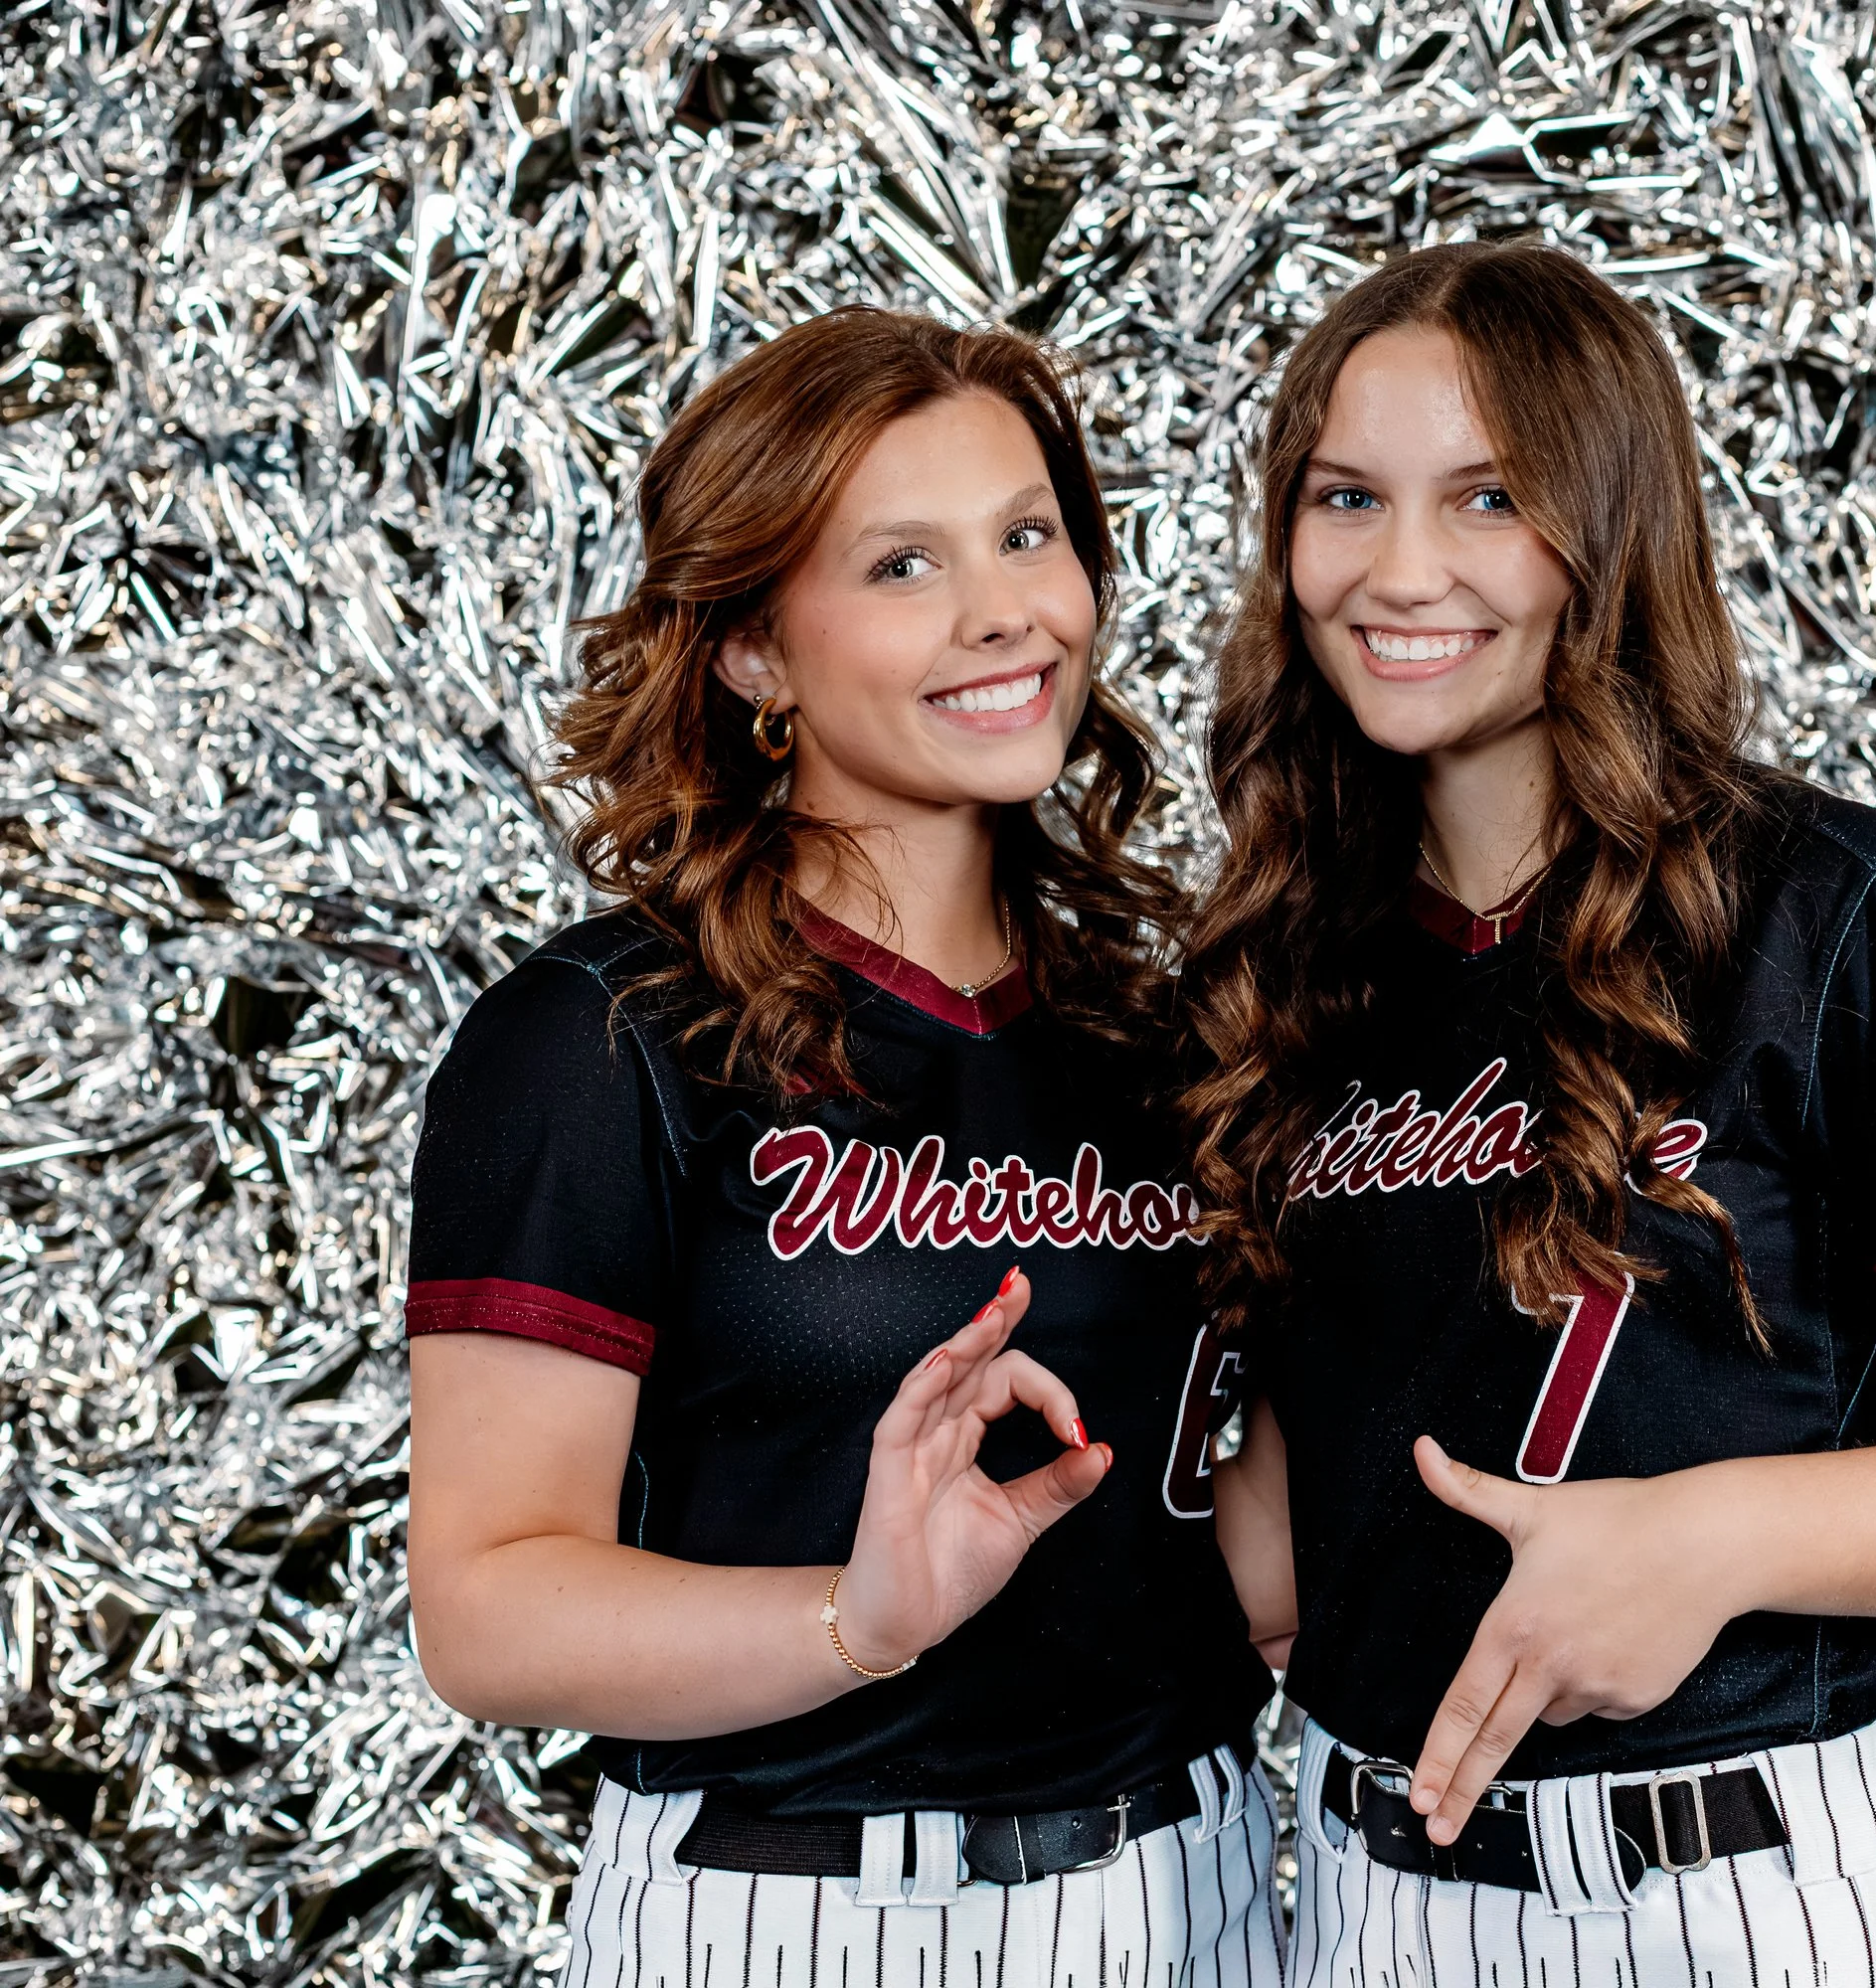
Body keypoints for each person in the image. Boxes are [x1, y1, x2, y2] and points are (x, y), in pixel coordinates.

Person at [1187, 245, 1876, 1988]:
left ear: (1611, 524)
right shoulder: (1296, 970)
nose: (1401, 569)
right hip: (1354, 1901)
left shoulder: (1841, 913)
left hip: (1716, 1897)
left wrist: (1707, 1538)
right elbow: (1290, 1546)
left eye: (1490, 497)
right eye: (1345, 497)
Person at [406, 308, 1279, 1988]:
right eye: (901, 565)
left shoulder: (1168, 1039)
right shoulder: (599, 1040)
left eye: (1029, 535)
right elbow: (488, 1609)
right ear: (751, 653)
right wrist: (858, 1619)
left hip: (1197, 1892)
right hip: (799, 1910)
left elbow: (1218, 1546)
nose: (1001, 610)